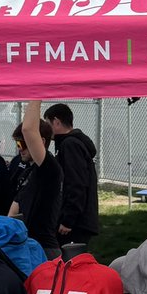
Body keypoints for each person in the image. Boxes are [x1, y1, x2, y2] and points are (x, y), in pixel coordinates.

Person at [7, 100, 63, 259]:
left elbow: (28, 129)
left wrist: (35, 94)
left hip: (44, 250)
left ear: (41, 141)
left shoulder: (50, 169)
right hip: (26, 246)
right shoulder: (27, 171)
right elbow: (14, 209)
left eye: (23, 143)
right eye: (17, 143)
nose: (20, 149)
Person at [44, 103, 99, 248]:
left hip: (76, 223)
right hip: (76, 219)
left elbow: (76, 183)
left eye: (47, 123)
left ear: (56, 121)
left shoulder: (70, 145)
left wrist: (69, 219)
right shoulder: (68, 144)